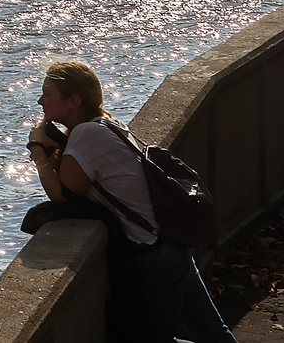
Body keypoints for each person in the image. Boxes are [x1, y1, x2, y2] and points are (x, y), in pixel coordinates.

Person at [27, 59, 234, 343]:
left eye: (47, 93)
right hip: (169, 247)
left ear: (74, 100)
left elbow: (63, 194)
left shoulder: (86, 135)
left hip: (153, 256)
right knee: (213, 334)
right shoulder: (104, 124)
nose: (40, 100)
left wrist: (37, 149)